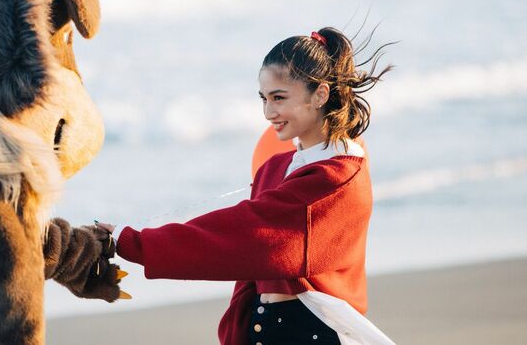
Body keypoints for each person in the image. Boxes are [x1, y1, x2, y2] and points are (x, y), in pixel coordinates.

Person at [96, 27, 395, 344]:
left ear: (320, 94)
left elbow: (244, 235)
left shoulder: (338, 178)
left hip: (312, 333)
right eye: (264, 99)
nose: (268, 112)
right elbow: (247, 269)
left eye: (279, 98)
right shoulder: (274, 168)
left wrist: (132, 242)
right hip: (261, 330)